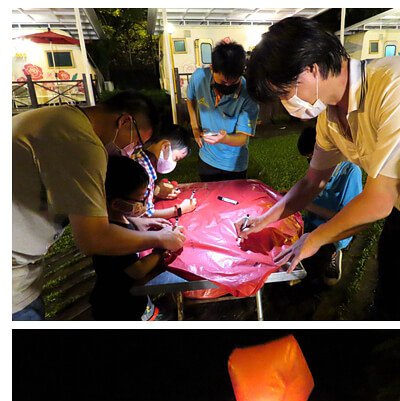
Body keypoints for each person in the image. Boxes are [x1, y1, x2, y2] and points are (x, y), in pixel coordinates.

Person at [243, 17, 400, 320]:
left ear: (310, 68)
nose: (287, 104)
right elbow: (313, 182)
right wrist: (267, 217)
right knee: (392, 307)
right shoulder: (330, 116)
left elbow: (379, 199)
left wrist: (317, 238)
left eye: (285, 93)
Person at [12, 90, 186, 319]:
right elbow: (94, 238)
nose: (133, 151)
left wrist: (137, 223)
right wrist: (160, 239)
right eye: (136, 143)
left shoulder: (61, 120)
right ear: (125, 122)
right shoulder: (82, 143)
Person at [91, 156, 182, 320]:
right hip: (119, 305)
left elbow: (128, 224)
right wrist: (161, 249)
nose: (144, 202)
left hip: (130, 296)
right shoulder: (111, 235)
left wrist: (142, 223)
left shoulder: (114, 217)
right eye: (140, 198)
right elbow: (137, 270)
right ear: (116, 203)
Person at [295, 126, 363, 285]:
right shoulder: (317, 166)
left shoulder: (351, 172)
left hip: (333, 230)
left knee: (314, 275)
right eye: (308, 158)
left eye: (313, 156)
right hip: (311, 224)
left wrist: (307, 205)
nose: (311, 162)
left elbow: (345, 219)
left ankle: (335, 251)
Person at [186, 39, 260, 182]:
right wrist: (194, 127)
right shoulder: (199, 77)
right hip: (206, 158)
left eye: (233, 82)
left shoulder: (248, 95)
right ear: (212, 69)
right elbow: (190, 99)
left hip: (234, 164)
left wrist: (224, 139)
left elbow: (242, 138)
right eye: (222, 82)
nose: (227, 86)